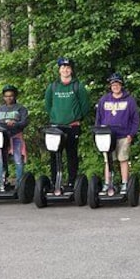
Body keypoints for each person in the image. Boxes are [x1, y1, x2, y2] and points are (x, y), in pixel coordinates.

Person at [44, 57, 90, 194]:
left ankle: (71, 182)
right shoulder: (52, 87)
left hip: (72, 126)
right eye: (63, 68)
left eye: (68, 67)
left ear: (72, 70)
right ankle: (55, 182)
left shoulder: (78, 86)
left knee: (71, 154)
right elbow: (48, 105)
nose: (65, 70)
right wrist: (55, 117)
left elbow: (85, 106)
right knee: (54, 155)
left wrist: (76, 117)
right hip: (56, 126)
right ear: (59, 70)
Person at [95, 73, 140, 195]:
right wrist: (98, 132)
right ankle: (108, 183)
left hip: (123, 135)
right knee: (108, 160)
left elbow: (135, 119)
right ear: (110, 86)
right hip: (107, 136)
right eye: (113, 85)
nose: (115, 87)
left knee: (123, 159)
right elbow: (98, 118)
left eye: (117, 84)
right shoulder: (104, 100)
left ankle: (125, 183)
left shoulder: (129, 100)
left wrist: (132, 134)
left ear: (121, 85)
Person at [0, 85, 29, 189]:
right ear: (3, 97)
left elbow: (25, 122)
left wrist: (15, 124)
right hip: (2, 138)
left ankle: (20, 185)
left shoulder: (21, 109)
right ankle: (2, 183)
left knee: (18, 160)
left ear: (15, 96)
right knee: (2, 160)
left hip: (15, 136)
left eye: (11, 96)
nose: (9, 98)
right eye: (6, 96)